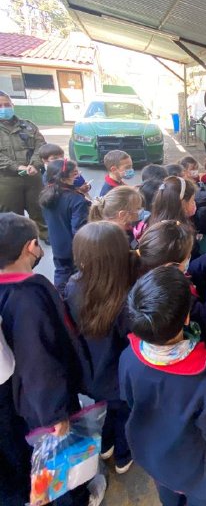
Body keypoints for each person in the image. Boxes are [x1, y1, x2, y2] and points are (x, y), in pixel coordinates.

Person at [0, 212, 106, 506]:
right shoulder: (28, 298)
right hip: (44, 398)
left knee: (34, 448)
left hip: (21, 396)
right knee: (59, 450)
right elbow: (40, 363)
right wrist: (54, 413)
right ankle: (76, 497)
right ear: (30, 247)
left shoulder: (9, 288)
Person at [119, 265, 206, 506]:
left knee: (169, 498)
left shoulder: (128, 356)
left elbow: (130, 402)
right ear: (187, 318)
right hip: (197, 473)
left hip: (153, 458)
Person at [65, 221, 140, 475]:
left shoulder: (73, 285)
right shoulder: (126, 295)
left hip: (92, 374)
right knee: (125, 417)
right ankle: (123, 456)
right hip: (122, 378)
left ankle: (105, 445)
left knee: (105, 411)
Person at [138, 220, 206, 338]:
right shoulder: (171, 297)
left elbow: (186, 275)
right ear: (171, 265)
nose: (189, 259)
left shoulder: (159, 274)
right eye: (187, 257)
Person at [0, 90, 48, 239]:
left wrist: (34, 164)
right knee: (11, 216)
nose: (4, 108)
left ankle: (45, 234)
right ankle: (18, 242)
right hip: (7, 179)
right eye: (0, 106)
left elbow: (41, 145)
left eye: (7, 104)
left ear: (12, 105)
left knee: (39, 208)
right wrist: (17, 167)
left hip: (33, 176)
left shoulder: (28, 126)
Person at [39, 159, 90, 293]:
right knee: (78, 276)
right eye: (75, 174)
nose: (79, 176)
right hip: (74, 247)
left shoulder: (47, 194)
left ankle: (59, 297)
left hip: (57, 243)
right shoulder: (76, 200)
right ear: (63, 178)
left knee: (61, 272)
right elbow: (78, 229)